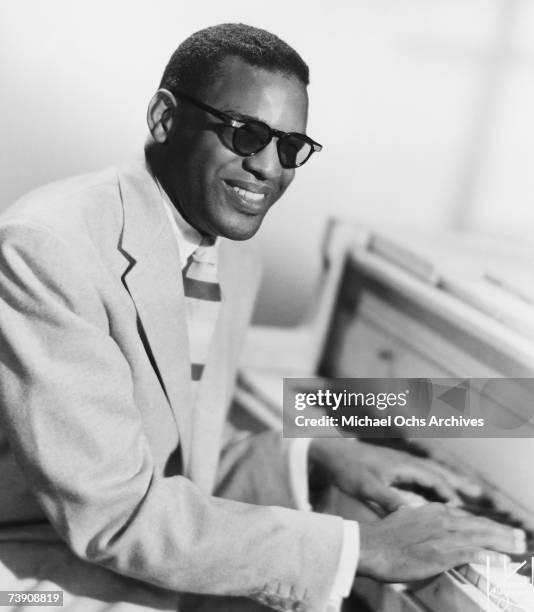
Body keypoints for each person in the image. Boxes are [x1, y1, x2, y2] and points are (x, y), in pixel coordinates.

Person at [0, 23, 525, 612]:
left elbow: (174, 450)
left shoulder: (232, 252)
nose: (269, 169)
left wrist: (315, 452)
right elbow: (113, 515)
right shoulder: (48, 250)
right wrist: (359, 548)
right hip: (38, 570)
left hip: (133, 549)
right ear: (164, 118)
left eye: (290, 147)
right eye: (246, 135)